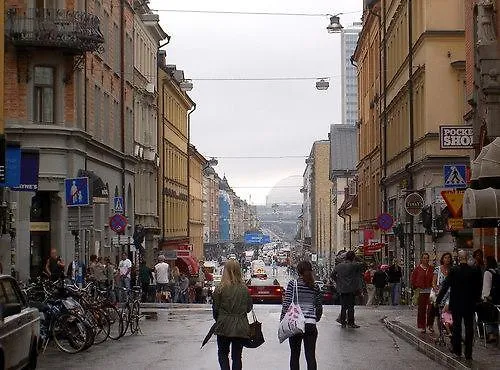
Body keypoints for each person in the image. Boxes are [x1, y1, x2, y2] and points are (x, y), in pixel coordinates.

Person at [436, 250, 482, 361]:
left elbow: (446, 286)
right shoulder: (474, 270)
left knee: (457, 326)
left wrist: (438, 300)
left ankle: (457, 350)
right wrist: (476, 300)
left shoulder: (454, 270)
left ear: (459, 258)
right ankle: (468, 352)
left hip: (456, 303)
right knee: (469, 327)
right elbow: (478, 287)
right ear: (467, 257)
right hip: (469, 303)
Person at [281, 261, 323, 370]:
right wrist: (315, 319)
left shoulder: (293, 284)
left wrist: (282, 320)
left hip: (295, 323)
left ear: (298, 271)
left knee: (294, 355)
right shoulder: (315, 287)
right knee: (310, 356)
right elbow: (318, 306)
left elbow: (286, 304)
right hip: (310, 325)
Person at [212, 259, 252, 370]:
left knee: (223, 353)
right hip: (240, 327)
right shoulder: (244, 289)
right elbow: (249, 308)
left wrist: (219, 319)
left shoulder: (220, 288)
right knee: (237, 356)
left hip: (223, 325)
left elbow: (215, 309)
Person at [332, 250, 363, 328]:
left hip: (342, 289)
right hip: (351, 289)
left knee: (343, 306)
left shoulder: (339, 266)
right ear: (353, 257)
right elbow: (364, 264)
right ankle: (351, 322)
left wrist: (338, 281)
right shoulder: (354, 265)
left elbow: (332, 275)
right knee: (351, 306)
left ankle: (343, 322)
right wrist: (358, 258)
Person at [410, 252, 434, 333]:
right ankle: (422, 326)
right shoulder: (417, 269)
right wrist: (415, 287)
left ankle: (430, 325)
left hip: (430, 291)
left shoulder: (431, 268)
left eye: (427, 258)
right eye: (424, 258)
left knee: (431, 309)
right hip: (421, 291)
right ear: (421, 259)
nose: (426, 259)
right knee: (421, 310)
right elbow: (413, 279)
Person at [481, 256, 499, 343]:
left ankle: (491, 334)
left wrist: (485, 296)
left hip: (491, 299)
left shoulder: (487, 273)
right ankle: (496, 333)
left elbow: (486, 288)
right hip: (498, 299)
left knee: (488, 314)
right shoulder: (498, 271)